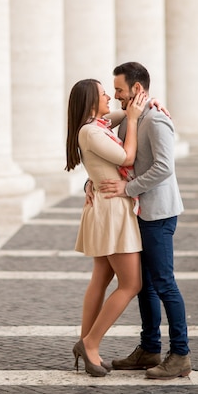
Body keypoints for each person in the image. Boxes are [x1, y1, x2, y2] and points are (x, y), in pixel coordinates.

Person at [97, 61, 191, 380]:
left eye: (120, 90)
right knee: (145, 286)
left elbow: (165, 167)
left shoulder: (157, 120)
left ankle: (180, 355)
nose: (116, 95)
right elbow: (105, 137)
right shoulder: (134, 117)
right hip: (139, 212)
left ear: (137, 88)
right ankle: (149, 349)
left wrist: (129, 188)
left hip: (159, 213)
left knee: (164, 283)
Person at [65, 78, 146, 377]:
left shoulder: (96, 125)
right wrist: (136, 120)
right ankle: (91, 344)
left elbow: (126, 112)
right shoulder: (90, 132)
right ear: (90, 101)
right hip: (111, 210)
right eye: (103, 94)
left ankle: (86, 343)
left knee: (101, 277)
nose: (110, 96)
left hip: (106, 207)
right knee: (131, 284)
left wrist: (149, 105)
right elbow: (127, 157)